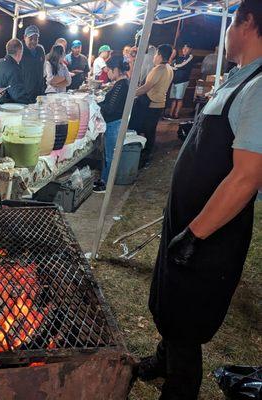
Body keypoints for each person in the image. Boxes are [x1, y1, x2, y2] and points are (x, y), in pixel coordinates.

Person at [138, 1, 262, 399]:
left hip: (208, 232)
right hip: (187, 219)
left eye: (231, 24)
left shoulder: (260, 89)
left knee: (187, 318)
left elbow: (246, 178)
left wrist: (195, 234)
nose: (224, 33)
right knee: (169, 300)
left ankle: (180, 387)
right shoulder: (239, 78)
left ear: (246, 23)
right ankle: (162, 361)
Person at [129, 44, 174, 166]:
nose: (154, 57)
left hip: (151, 104)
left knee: (143, 129)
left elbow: (145, 88)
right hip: (159, 103)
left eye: (155, 54)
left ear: (159, 55)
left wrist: (130, 94)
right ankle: (146, 154)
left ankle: (143, 156)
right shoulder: (169, 68)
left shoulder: (158, 69)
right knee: (150, 130)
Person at [93, 57, 130, 193]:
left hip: (114, 124)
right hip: (115, 123)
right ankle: (103, 179)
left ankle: (106, 184)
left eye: (108, 70)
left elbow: (111, 109)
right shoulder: (122, 83)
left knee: (110, 155)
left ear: (115, 70)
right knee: (108, 155)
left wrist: (97, 105)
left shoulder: (121, 85)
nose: (107, 73)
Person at [0, 38, 30, 104]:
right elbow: (18, 95)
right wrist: (30, 104)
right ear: (19, 52)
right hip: (5, 110)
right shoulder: (14, 68)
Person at [166, 43, 195, 120]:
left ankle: (176, 115)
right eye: (183, 48)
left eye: (187, 48)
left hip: (183, 81)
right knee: (174, 98)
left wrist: (175, 66)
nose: (184, 49)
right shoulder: (179, 58)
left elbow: (182, 65)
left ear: (190, 49)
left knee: (179, 98)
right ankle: (170, 114)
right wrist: (174, 66)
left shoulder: (190, 57)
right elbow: (173, 66)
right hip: (175, 81)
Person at [20, 25, 46, 102]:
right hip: (24, 94)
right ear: (25, 37)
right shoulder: (19, 50)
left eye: (36, 39)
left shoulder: (40, 50)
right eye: (31, 38)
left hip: (39, 93)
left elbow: (42, 70)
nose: (33, 41)